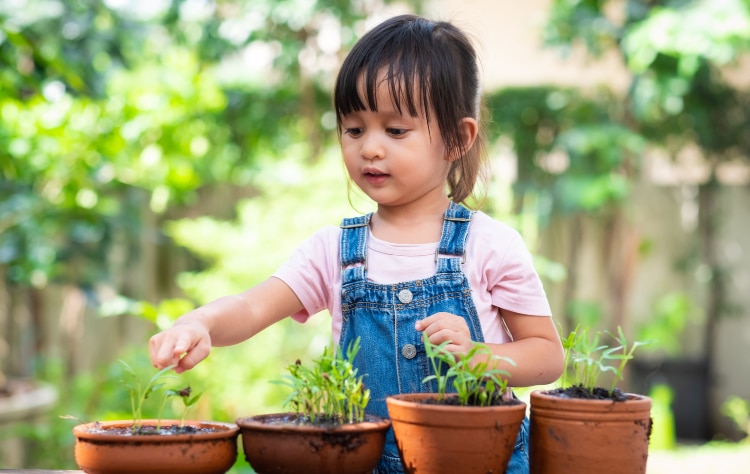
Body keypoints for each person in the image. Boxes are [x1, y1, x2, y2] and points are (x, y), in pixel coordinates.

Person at [149, 14, 564, 474]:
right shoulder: (334, 252)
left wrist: (478, 356)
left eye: (395, 130)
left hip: (481, 463)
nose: (370, 148)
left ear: (456, 139)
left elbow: (546, 356)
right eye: (354, 129)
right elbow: (251, 308)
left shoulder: (491, 246)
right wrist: (200, 323)